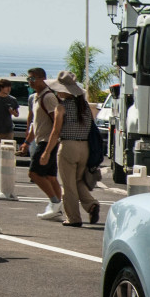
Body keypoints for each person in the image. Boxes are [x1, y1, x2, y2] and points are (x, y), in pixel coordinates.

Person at [45, 70, 101, 228]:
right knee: (77, 180)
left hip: (68, 146)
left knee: (68, 184)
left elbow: (56, 132)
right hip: (84, 147)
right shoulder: (85, 108)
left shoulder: (61, 108)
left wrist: (47, 152)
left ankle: (73, 217)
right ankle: (91, 204)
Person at [24, 68, 63, 220]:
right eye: (29, 79)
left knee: (34, 173)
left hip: (48, 141)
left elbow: (56, 123)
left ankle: (55, 203)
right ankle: (57, 209)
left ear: (42, 79)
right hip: (41, 139)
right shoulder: (36, 97)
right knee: (50, 176)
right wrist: (27, 142)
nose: (30, 82)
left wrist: (48, 148)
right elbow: (35, 124)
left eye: (33, 79)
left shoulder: (48, 97)